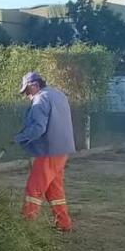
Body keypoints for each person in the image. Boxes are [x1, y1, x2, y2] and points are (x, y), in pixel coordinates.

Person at [13, 71, 76, 232]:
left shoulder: (40, 99)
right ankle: (63, 223)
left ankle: (26, 224)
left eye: (27, 91)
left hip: (49, 150)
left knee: (34, 188)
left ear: (35, 85)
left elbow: (38, 128)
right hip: (62, 150)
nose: (27, 95)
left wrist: (19, 138)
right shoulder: (57, 94)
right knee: (54, 189)